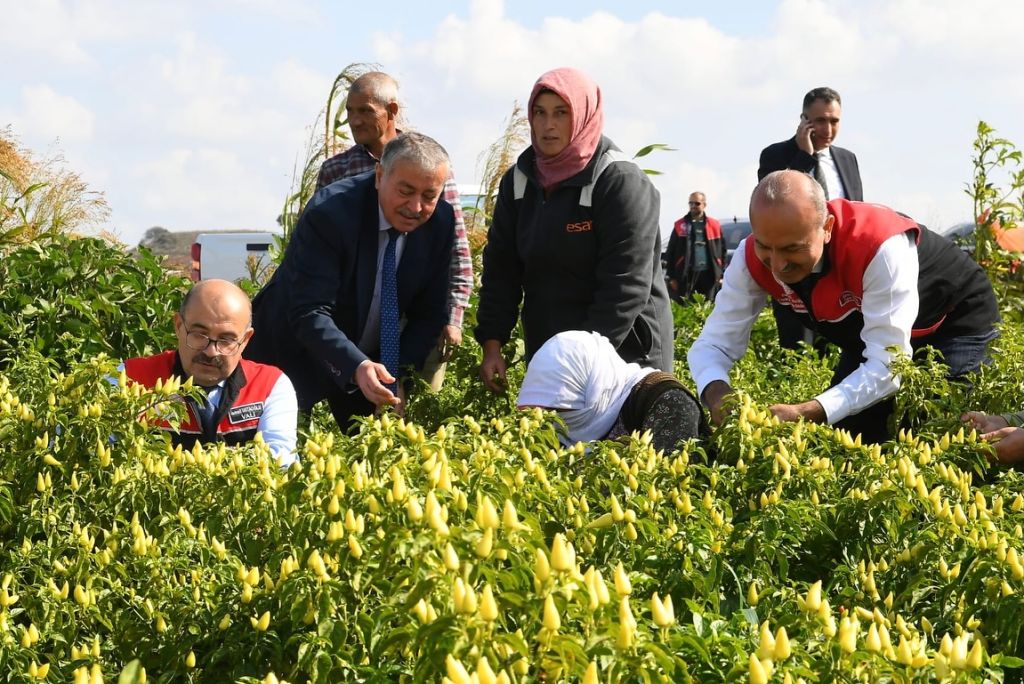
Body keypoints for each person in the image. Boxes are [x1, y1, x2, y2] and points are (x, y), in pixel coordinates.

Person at [688, 170, 999, 444]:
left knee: (938, 431)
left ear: (827, 227)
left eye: (792, 248)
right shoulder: (749, 259)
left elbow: (888, 366)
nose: (778, 265)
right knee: (849, 433)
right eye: (764, 246)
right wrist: (716, 393)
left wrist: (808, 410)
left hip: (954, 320)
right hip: (870, 331)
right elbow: (713, 343)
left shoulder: (877, 246)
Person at [475, 67, 673, 393]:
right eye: (540, 113)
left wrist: (578, 363)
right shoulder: (519, 182)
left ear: (583, 116)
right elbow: (501, 270)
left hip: (624, 352)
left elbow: (625, 288)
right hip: (552, 350)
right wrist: (492, 343)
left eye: (561, 113)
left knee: (627, 427)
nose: (548, 125)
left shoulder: (618, 181)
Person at [245, 132, 454, 431]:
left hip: (370, 367)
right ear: (380, 176)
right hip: (294, 353)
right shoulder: (330, 213)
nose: (416, 207)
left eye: (429, 196)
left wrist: (396, 373)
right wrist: (356, 366)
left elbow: (430, 313)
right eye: (406, 191)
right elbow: (309, 310)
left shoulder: (440, 222)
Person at [316, 71, 472, 391]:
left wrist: (453, 317)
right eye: (350, 111)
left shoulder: (429, 164)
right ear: (379, 176)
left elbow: (456, 247)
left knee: (412, 397)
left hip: (414, 316)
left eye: (365, 111)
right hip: (354, 323)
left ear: (392, 111)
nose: (355, 121)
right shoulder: (336, 171)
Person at [122, 279, 298, 465]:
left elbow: (280, 462)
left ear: (246, 340)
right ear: (178, 326)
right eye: (199, 335)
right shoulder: (129, 377)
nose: (211, 351)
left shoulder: (270, 386)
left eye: (226, 340)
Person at [758, 87, 863, 350]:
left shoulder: (847, 159)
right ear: (804, 120)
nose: (828, 129)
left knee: (843, 346)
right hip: (796, 265)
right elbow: (775, 206)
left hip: (839, 266)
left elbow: (857, 209)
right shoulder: (776, 156)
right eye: (820, 121)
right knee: (797, 348)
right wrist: (804, 157)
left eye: (834, 121)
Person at [518, 331, 706, 453]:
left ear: (592, 388)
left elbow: (671, 485)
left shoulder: (669, 403)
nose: (551, 417)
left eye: (560, 409)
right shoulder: (550, 423)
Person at [665, 191, 724, 302]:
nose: (693, 206)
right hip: (686, 274)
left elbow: (722, 251)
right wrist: (671, 277)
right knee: (686, 304)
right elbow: (670, 252)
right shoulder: (680, 225)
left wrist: (720, 274)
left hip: (709, 275)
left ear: (704, 205)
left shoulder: (714, 225)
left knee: (708, 305)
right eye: (690, 203)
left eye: (697, 203)